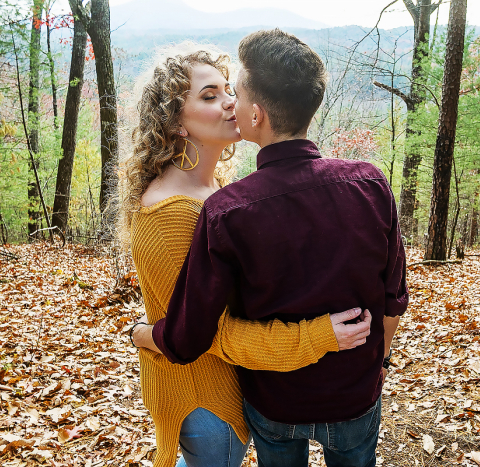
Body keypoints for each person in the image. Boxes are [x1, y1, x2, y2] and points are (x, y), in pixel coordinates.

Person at [135, 30, 408, 466]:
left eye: (233, 92)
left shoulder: (225, 205)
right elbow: (393, 296)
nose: (229, 103)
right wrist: (375, 359)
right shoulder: (370, 182)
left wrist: (144, 335)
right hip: (312, 395)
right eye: (212, 95)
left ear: (256, 114)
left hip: (272, 400)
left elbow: (193, 331)